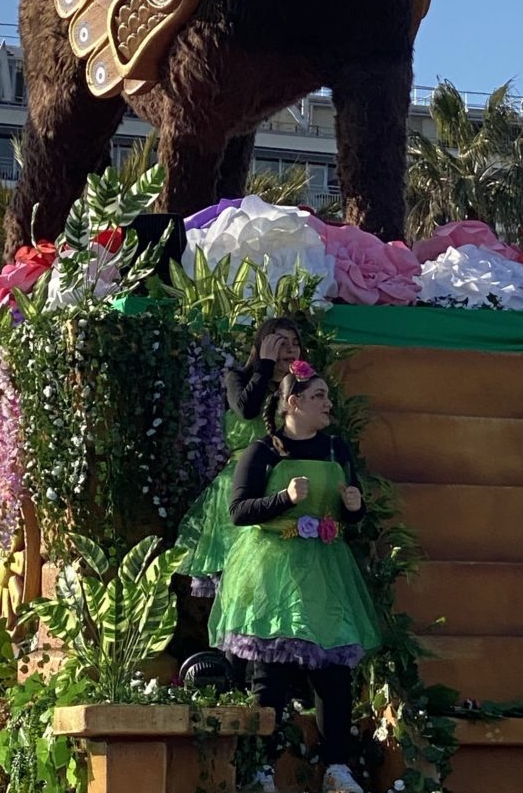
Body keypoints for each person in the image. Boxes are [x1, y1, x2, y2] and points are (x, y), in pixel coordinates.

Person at [210, 360, 379, 793]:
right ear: (293, 403)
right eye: (319, 396)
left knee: (333, 672)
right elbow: (239, 511)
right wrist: (283, 499)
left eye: (327, 395)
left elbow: (353, 517)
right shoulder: (263, 452)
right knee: (271, 673)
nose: (328, 403)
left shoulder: (336, 449)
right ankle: (260, 770)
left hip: (324, 569)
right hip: (273, 569)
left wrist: (355, 508)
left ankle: (337, 769)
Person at [177, 315, 302, 597]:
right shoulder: (238, 379)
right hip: (243, 482)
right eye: (282, 343)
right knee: (239, 572)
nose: (291, 350)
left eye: (295, 344)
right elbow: (246, 410)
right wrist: (265, 365)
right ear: (264, 346)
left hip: (284, 481)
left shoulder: (300, 387)